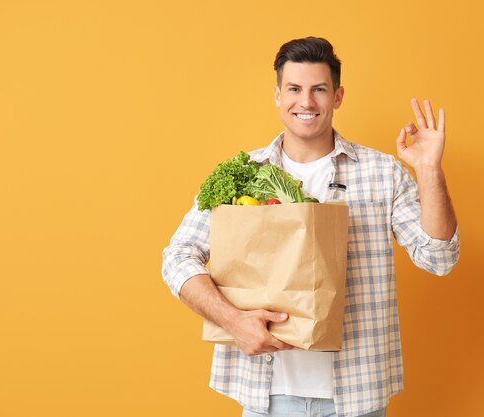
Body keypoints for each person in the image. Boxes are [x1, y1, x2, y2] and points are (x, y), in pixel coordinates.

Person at [162, 36, 459, 417]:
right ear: (277, 95)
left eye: (319, 89)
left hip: (356, 395)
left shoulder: (382, 173)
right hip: (265, 395)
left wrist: (429, 170)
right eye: (295, 89)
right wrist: (233, 320)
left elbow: (439, 258)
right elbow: (177, 258)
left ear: (337, 96)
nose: (306, 102)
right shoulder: (242, 173)